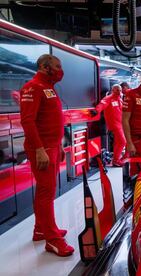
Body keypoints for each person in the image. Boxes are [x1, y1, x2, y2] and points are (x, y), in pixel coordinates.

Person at [19, 54, 74, 257]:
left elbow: (50, 120)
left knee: (44, 190)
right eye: (57, 66)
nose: (61, 71)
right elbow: (28, 121)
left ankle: (40, 229)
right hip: (40, 149)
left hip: (51, 146)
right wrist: (40, 149)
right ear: (44, 66)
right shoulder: (33, 87)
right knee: (46, 192)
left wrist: (58, 145)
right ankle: (52, 240)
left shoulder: (48, 87)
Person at [91, 84, 126, 166]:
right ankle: (116, 160)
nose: (119, 92)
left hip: (121, 124)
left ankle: (116, 160)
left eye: (120, 90)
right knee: (122, 141)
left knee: (119, 142)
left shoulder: (120, 99)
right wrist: (96, 111)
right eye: (117, 90)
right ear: (112, 90)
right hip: (115, 124)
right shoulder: (109, 98)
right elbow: (102, 104)